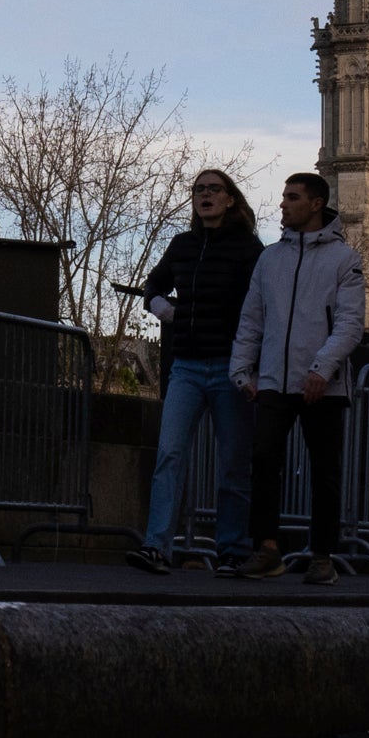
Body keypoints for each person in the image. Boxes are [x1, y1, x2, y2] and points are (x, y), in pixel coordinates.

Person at [229, 170, 364, 584]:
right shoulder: (270, 258)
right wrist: (240, 369)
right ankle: (266, 549)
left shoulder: (345, 259)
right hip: (273, 380)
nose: (282, 204)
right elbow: (252, 318)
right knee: (264, 460)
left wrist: (322, 369)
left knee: (324, 471)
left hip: (322, 384)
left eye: (292, 197)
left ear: (316, 204)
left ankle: (322, 555)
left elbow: (350, 323)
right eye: (284, 197)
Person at [130, 169, 265, 573]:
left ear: (230, 200)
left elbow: (261, 307)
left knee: (232, 463)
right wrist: (160, 307)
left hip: (230, 368)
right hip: (186, 367)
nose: (205, 195)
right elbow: (152, 285)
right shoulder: (182, 245)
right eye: (199, 189)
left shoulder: (248, 249)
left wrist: (253, 363)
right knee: (169, 454)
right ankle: (156, 546)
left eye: (213, 189)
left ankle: (232, 551)